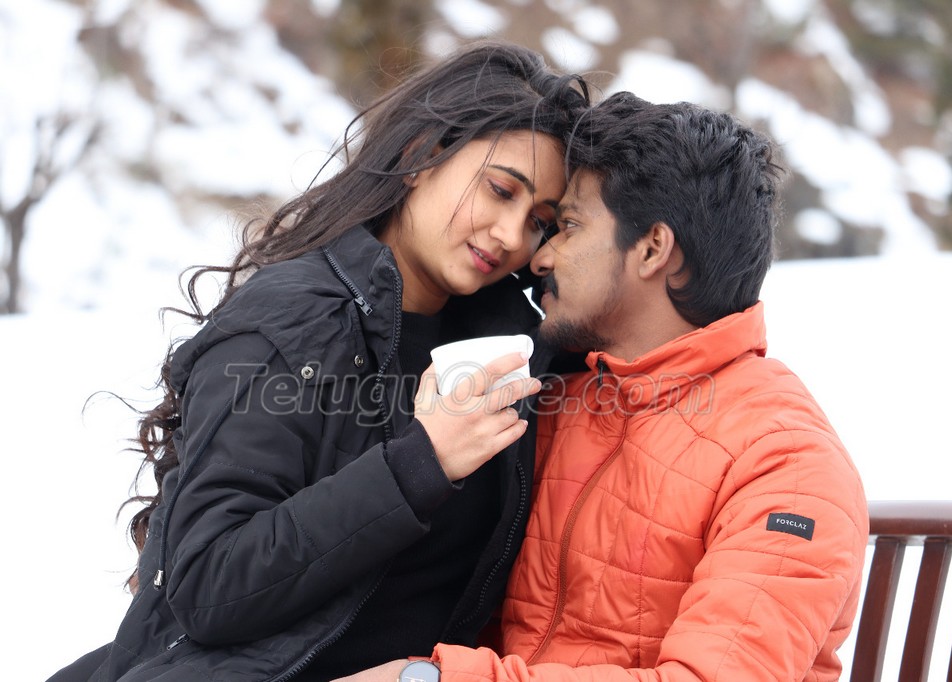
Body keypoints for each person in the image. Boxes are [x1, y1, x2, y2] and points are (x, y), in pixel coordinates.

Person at [47, 41, 591, 682]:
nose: (510, 234)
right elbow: (207, 582)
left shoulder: (508, 342)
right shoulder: (292, 323)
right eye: (500, 190)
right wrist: (421, 463)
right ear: (420, 156)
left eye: (539, 221)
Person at [341, 94, 870, 682]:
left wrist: (433, 679)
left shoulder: (786, 463)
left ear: (652, 249)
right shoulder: (559, 400)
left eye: (567, 226)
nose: (540, 259)